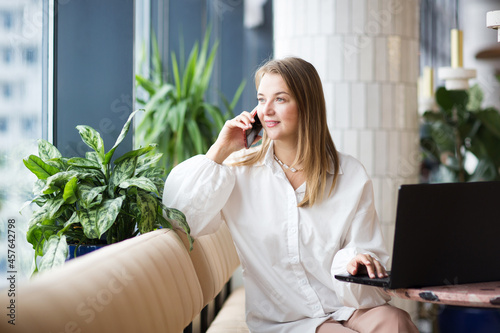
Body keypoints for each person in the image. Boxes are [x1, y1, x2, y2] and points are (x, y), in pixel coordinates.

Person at [163, 57, 418, 333]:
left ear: (307, 106)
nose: (266, 111)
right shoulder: (237, 173)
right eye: (261, 100)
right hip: (286, 321)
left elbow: (365, 255)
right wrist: (219, 150)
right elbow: (180, 218)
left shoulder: (350, 174)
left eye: (280, 99)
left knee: (397, 322)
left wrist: (356, 261)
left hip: (345, 306)